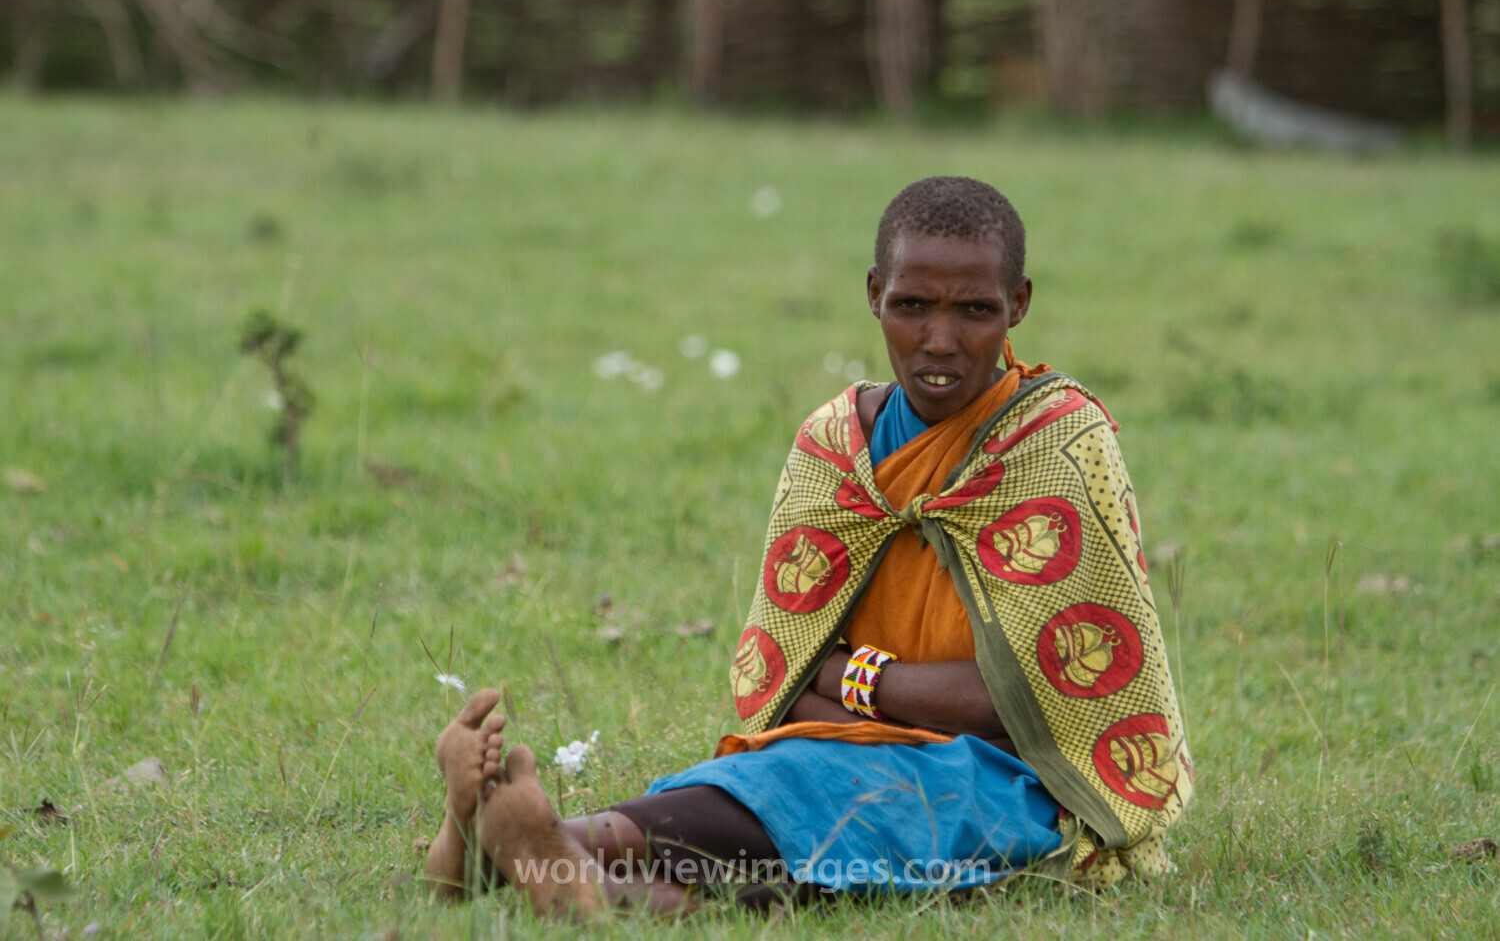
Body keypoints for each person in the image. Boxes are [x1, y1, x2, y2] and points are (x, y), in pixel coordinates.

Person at [424, 176, 1194, 917]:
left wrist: (860, 681)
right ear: (872, 295)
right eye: (911, 306)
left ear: (1019, 305)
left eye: (975, 311)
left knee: (823, 798)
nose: (940, 340)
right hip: (834, 746)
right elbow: (785, 676)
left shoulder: (1056, 443)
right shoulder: (836, 446)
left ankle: (523, 852)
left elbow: (1037, 697)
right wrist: (880, 699)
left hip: (1010, 775)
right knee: (772, 781)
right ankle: (544, 849)